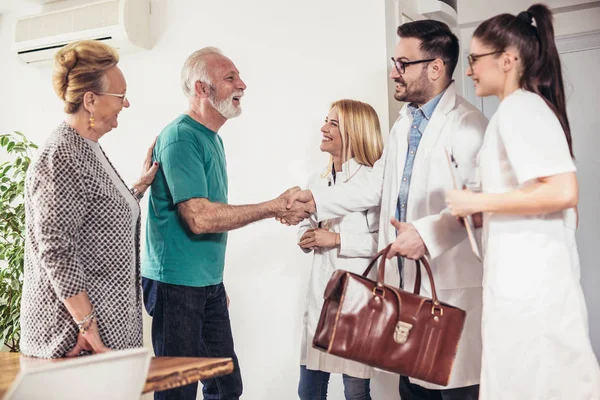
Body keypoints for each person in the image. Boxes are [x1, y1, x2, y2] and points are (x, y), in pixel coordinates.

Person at [285, 20, 488, 399]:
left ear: (435, 67)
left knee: (454, 388)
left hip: (450, 291)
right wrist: (314, 201)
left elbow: (479, 204)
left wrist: (426, 235)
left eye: (403, 63)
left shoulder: (468, 125)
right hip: (406, 291)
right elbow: (378, 185)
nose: (394, 71)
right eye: (395, 61)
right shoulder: (402, 126)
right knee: (411, 391)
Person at [445, 4, 600, 399]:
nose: (468, 70)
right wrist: (481, 209)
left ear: (508, 60)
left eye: (475, 59)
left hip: (531, 293)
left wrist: (478, 204)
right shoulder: (514, 113)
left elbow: (564, 192)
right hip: (525, 287)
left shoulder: (521, 109)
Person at [141, 47, 310, 400]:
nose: (242, 84)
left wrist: (213, 283)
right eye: (230, 78)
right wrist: (274, 206)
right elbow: (200, 219)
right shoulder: (181, 137)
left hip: (205, 285)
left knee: (225, 385)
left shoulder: (211, 138)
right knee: (178, 392)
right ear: (202, 89)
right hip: (176, 287)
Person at [20, 40, 159, 358]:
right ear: (91, 100)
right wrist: (87, 326)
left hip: (102, 334)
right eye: (120, 96)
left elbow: (94, 217)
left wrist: (136, 188)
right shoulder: (62, 156)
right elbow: (56, 248)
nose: (126, 105)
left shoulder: (86, 148)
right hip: (75, 341)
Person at [297, 100, 383, 400]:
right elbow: (306, 222)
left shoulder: (373, 179)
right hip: (321, 294)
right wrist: (305, 235)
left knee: (355, 392)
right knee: (309, 391)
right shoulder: (315, 182)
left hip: (355, 298)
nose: (324, 128)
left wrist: (336, 240)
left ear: (354, 132)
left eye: (333, 123)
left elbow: (383, 243)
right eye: (326, 120)